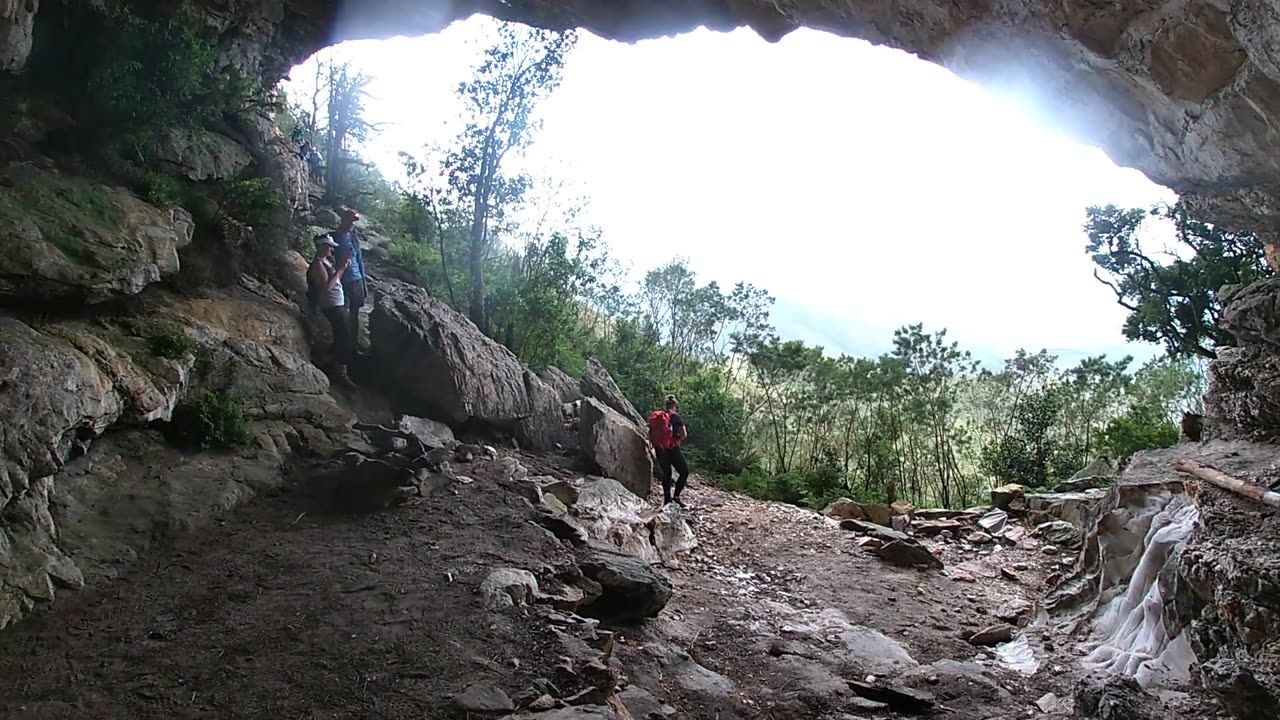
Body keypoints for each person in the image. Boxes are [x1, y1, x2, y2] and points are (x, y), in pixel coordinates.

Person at [307, 234, 354, 386]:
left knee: (343, 335)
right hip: (331, 304)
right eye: (329, 246)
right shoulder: (317, 264)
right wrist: (340, 270)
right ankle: (339, 372)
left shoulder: (326, 261)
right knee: (343, 336)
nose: (332, 249)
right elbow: (327, 287)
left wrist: (341, 268)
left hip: (337, 303)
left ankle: (330, 362)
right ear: (321, 246)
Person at [333, 209, 368, 360]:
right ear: (343, 219)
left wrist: (364, 283)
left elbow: (360, 261)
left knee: (355, 316)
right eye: (350, 220)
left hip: (357, 281)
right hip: (342, 283)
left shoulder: (354, 239)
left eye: (354, 221)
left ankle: (353, 347)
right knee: (344, 317)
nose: (352, 224)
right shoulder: (333, 237)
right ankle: (343, 350)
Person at [647, 395, 689, 506]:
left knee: (667, 474)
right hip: (672, 449)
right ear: (675, 406)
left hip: (660, 449)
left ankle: (667, 499)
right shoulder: (676, 418)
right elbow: (684, 435)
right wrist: (677, 437)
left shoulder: (658, 417)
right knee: (684, 472)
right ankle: (676, 497)